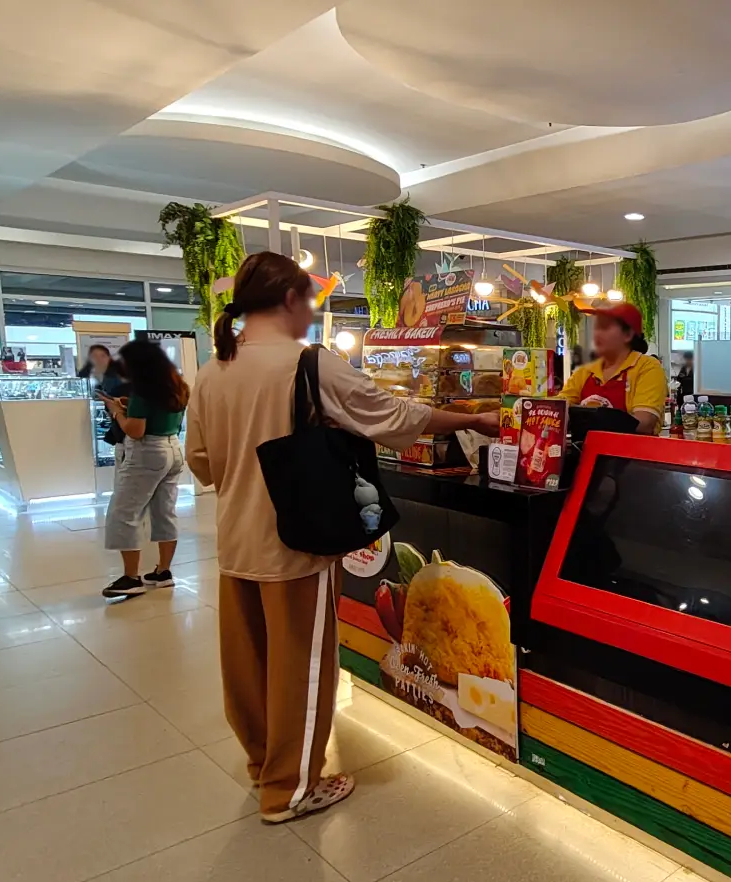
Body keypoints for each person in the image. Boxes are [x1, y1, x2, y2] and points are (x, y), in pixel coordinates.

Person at [186, 251, 498, 824]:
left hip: (235, 544)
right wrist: (473, 421)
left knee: (248, 662)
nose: (312, 311)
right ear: (289, 299)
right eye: (310, 300)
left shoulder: (213, 370)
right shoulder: (309, 364)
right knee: (301, 667)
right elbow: (395, 417)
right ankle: (291, 789)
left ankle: (264, 767)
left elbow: (201, 465)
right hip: (296, 545)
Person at [99, 341, 189, 599]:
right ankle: (163, 572)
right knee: (165, 511)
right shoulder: (177, 385)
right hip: (172, 448)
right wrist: (128, 404)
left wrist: (116, 412)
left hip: (147, 452)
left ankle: (131, 577)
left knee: (124, 511)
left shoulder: (143, 390)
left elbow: (136, 431)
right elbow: (159, 413)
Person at [556, 300, 668, 434]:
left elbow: (643, 424)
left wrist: (588, 416)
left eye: (605, 327)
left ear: (627, 335)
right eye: (596, 327)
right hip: (586, 453)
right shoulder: (586, 371)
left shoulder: (647, 367)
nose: (597, 334)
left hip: (630, 453)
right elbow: (557, 409)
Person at [80, 343, 131, 447]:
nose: (99, 359)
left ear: (109, 357)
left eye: (102, 356)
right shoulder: (95, 375)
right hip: (117, 426)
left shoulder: (117, 376)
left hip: (125, 425)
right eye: (94, 356)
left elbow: (119, 399)